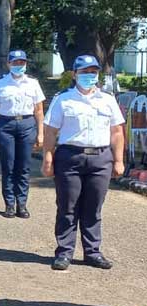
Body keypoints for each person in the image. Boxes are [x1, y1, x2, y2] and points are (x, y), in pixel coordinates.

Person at [42, 54, 125, 271]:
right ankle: (64, 252)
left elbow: (117, 131)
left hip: (100, 158)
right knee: (68, 207)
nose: (89, 76)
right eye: (85, 72)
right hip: (70, 157)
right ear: (74, 74)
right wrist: (48, 158)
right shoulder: (63, 99)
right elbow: (50, 131)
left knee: (94, 207)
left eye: (93, 72)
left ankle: (93, 252)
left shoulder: (107, 99)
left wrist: (118, 160)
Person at [0, 50, 46, 218]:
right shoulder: (0, 84)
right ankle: (10, 204)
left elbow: (39, 110)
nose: (18, 66)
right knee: (8, 166)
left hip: (27, 124)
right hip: (6, 124)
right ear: (8, 64)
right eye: (15, 63)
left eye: (21, 63)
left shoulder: (33, 83)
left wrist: (40, 133)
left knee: (24, 166)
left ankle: (22, 203)